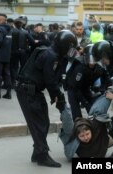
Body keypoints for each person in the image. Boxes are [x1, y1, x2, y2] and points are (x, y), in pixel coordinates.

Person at [16, 30, 77, 167]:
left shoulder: (53, 54)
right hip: (28, 91)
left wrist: (57, 96)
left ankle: (37, 153)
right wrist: (59, 97)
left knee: (44, 122)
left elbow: (54, 78)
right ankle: (42, 156)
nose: (70, 51)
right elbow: (50, 81)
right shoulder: (50, 56)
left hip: (33, 91)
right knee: (39, 123)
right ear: (64, 45)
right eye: (69, 48)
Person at [59, 94, 113, 160]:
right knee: (70, 130)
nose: (85, 138)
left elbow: (100, 109)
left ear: (91, 130)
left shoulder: (96, 125)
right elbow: (67, 121)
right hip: (82, 147)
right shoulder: (73, 136)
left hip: (98, 141)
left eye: (87, 134)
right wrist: (62, 104)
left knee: (96, 114)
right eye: (82, 136)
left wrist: (108, 96)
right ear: (77, 136)